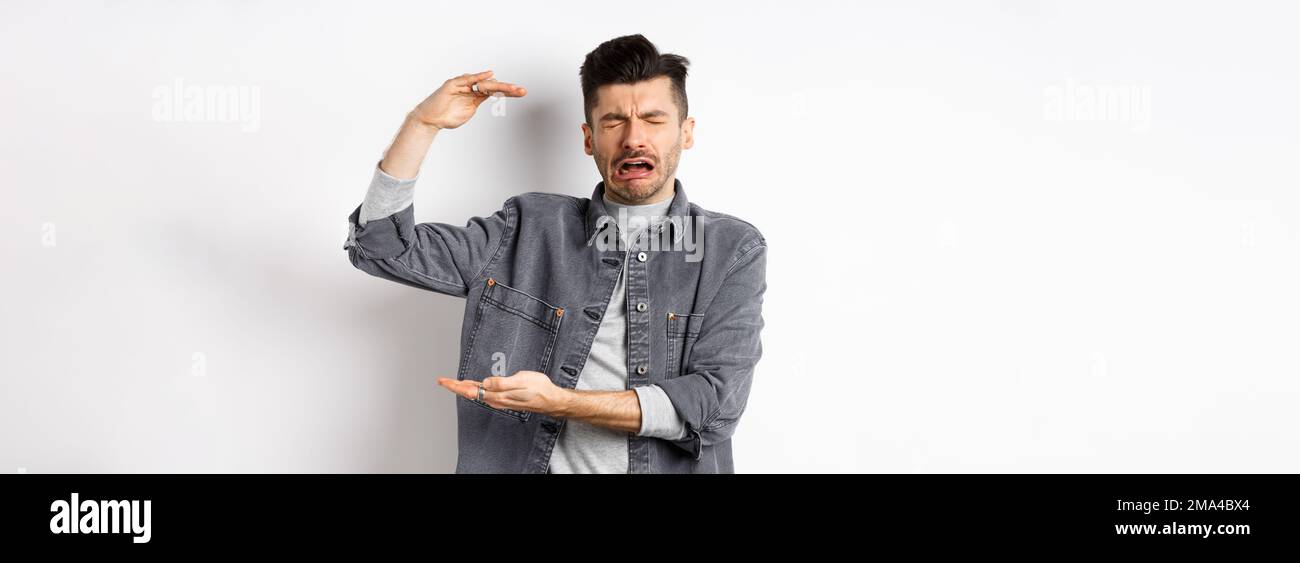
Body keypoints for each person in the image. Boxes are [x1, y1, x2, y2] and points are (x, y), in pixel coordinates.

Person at [344, 34, 766, 473]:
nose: (634, 138)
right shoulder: (527, 227)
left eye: (654, 120)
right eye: (613, 121)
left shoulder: (731, 250)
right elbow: (382, 249)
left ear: (687, 132)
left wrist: (560, 402)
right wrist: (421, 126)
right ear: (588, 138)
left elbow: (715, 406)